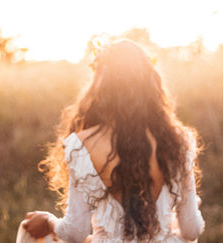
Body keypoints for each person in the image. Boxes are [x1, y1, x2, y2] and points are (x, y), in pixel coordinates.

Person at [18, 39, 205, 243]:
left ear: (101, 86)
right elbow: (192, 230)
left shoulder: (82, 145)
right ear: (151, 84)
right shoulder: (178, 141)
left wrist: (48, 221)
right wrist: (189, 206)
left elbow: (75, 232)